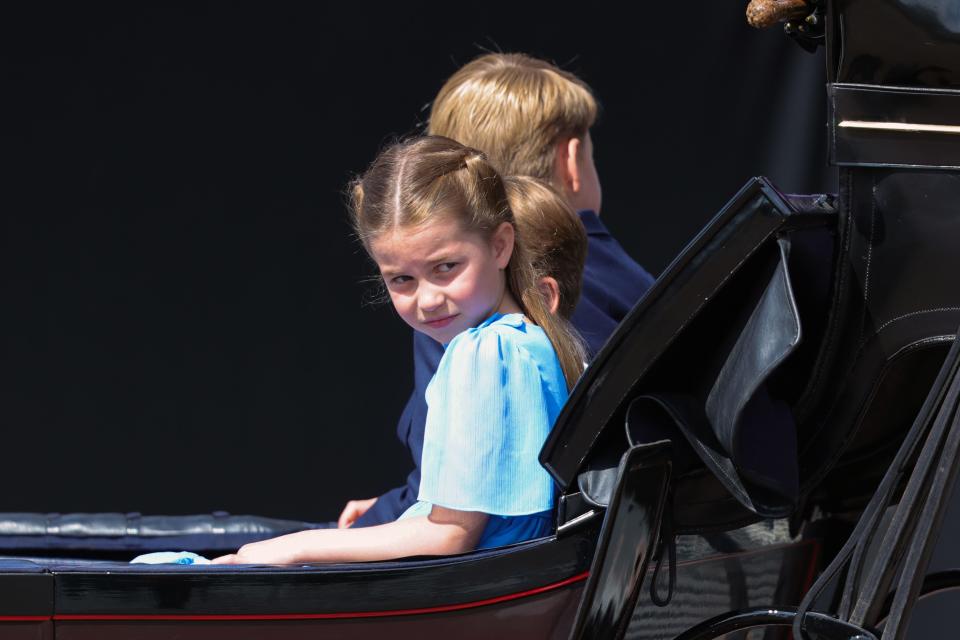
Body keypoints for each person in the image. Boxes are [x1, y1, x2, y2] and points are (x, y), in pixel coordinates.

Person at [212, 137, 585, 564]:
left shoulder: (484, 354)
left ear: (500, 245)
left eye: (446, 267)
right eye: (401, 280)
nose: (427, 300)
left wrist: (294, 546)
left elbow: (451, 535)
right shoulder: (526, 339)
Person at [342, 53, 656, 530]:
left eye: (445, 267)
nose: (428, 297)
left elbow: (461, 493)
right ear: (571, 160)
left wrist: (372, 525)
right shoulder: (623, 277)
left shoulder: (478, 310)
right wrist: (404, 505)